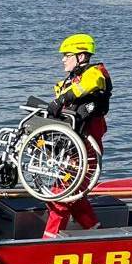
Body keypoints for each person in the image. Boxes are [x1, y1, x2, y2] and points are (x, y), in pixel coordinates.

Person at [42, 33, 112, 239]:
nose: (63, 59)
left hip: (86, 149)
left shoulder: (95, 73)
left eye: (67, 55)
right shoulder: (72, 79)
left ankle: (47, 242)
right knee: (72, 194)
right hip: (71, 145)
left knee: (61, 195)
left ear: (81, 57)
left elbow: (89, 84)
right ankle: (99, 235)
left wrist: (63, 97)